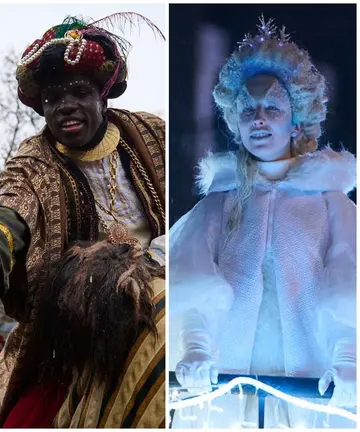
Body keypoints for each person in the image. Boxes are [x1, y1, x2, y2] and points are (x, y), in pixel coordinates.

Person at [0, 15, 166, 428]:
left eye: (79, 92)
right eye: (52, 98)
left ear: (103, 95)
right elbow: (8, 212)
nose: (65, 106)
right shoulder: (31, 161)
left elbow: (196, 200)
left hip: (169, 292)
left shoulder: (151, 135)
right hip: (78, 327)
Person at [169, 16, 356, 428]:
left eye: (272, 107)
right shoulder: (220, 203)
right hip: (228, 389)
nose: (258, 118)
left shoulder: (330, 202)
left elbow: (348, 277)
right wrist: (196, 348)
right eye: (247, 109)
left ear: (296, 118)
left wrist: (347, 355)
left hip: (311, 389)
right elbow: (190, 275)